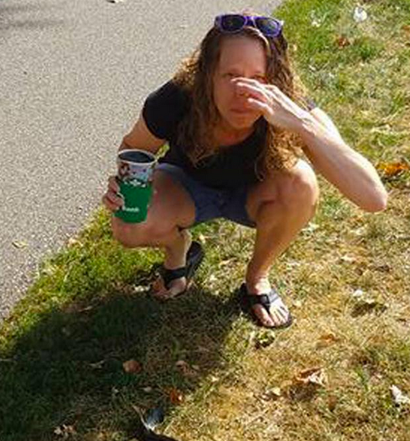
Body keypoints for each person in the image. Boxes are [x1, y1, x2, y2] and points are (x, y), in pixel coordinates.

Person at [102, 12, 388, 329]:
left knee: (302, 183)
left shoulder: (291, 105)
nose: (244, 91)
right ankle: (178, 251)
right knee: (128, 225)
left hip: (257, 192)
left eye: (259, 79)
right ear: (207, 74)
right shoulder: (177, 98)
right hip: (187, 185)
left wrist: (302, 124)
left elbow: (373, 197)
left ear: (276, 81)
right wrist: (127, 183)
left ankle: (257, 278)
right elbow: (136, 146)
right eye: (230, 76)